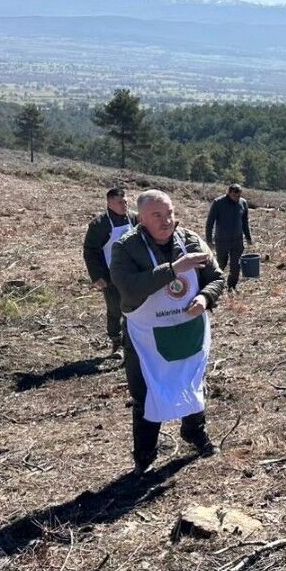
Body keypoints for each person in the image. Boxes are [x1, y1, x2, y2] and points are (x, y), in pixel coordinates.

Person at [111, 189, 224, 473]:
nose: (166, 221)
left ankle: (194, 431)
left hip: (188, 330)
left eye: (170, 213)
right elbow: (128, 288)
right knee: (147, 392)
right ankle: (145, 455)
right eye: (157, 215)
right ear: (142, 219)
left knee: (192, 381)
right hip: (146, 337)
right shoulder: (126, 248)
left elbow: (216, 277)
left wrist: (206, 297)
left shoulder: (190, 240)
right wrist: (173, 269)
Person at [82, 187, 138, 351]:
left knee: (136, 308)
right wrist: (97, 276)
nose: (124, 205)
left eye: (125, 201)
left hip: (135, 273)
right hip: (111, 275)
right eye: (120, 202)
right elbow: (90, 252)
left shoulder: (135, 218)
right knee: (115, 310)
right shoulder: (100, 225)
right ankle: (116, 342)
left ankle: (133, 343)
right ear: (109, 204)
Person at [205, 182, 252, 292]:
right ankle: (215, 285)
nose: (237, 198)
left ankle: (232, 286)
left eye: (239, 196)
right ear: (229, 193)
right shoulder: (218, 203)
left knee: (236, 265)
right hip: (222, 240)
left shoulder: (243, 203)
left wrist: (248, 237)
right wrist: (209, 240)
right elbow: (210, 222)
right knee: (221, 264)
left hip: (237, 240)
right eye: (235, 196)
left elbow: (245, 222)